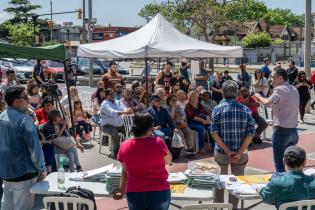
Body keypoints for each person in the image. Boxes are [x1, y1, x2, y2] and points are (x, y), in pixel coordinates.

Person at [210, 80, 255, 209]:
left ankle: (218, 207)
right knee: (237, 183)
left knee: (219, 182)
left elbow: (214, 132)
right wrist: (240, 152)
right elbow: (250, 133)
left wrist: (228, 151)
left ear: (223, 93)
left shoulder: (218, 109)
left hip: (222, 152)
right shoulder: (245, 110)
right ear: (237, 93)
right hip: (240, 153)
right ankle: (233, 208)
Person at [0, 86, 47, 210]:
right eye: (25, 97)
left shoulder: (2, 116)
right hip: (23, 173)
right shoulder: (24, 120)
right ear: (16, 101)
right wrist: (42, 169)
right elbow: (35, 149)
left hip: (6, 173)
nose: (28, 99)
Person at [113, 112, 172, 210]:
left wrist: (121, 189)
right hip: (159, 191)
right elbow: (168, 161)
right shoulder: (158, 142)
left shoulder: (124, 145)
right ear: (149, 129)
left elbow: (125, 171)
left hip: (134, 192)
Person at [254, 68, 299, 172]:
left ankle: (281, 186)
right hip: (293, 131)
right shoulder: (294, 89)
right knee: (291, 165)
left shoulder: (279, 89)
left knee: (279, 165)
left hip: (281, 131)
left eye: (273, 78)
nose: (271, 80)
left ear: (280, 78)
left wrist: (258, 96)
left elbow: (267, 103)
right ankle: (291, 186)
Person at [100, 88, 132, 158]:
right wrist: (124, 112)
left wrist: (127, 109)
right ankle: (116, 152)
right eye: (110, 94)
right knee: (115, 133)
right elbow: (112, 112)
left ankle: (125, 149)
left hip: (119, 125)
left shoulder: (118, 101)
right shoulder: (104, 104)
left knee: (129, 131)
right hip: (107, 126)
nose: (112, 95)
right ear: (106, 95)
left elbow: (123, 107)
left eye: (113, 93)